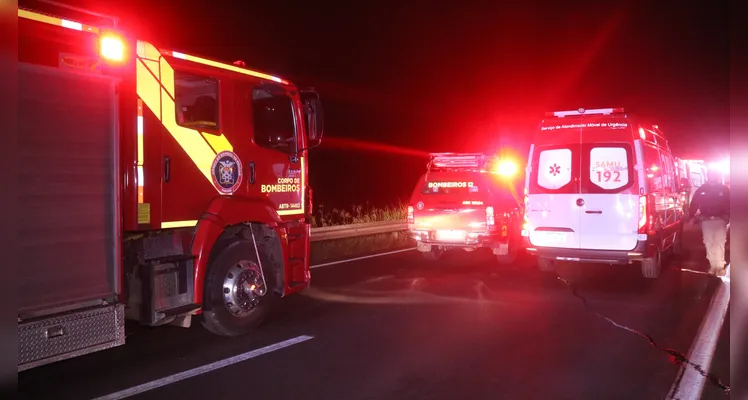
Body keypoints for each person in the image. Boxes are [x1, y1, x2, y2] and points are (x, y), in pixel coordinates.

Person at [688, 168, 730, 276]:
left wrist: (728, 216)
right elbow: (694, 204)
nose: (712, 177)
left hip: (720, 220)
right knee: (709, 243)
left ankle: (720, 267)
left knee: (719, 242)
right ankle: (712, 266)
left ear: (717, 176)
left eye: (714, 175)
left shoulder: (724, 190)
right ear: (707, 176)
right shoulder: (702, 189)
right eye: (710, 175)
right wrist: (691, 216)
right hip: (705, 220)